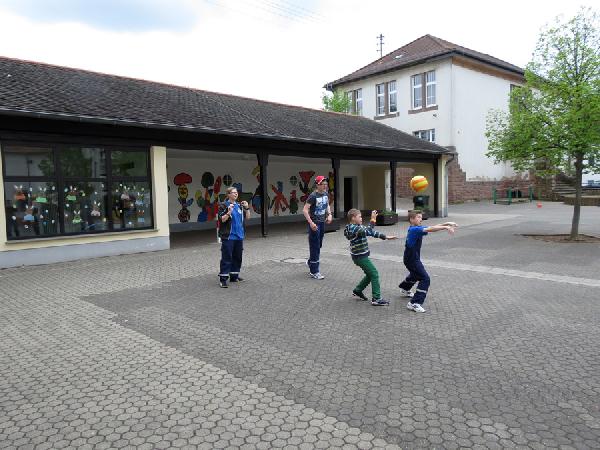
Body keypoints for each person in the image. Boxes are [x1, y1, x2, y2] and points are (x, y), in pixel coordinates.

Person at [399, 210, 457, 313]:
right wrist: (446, 227)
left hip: (410, 258)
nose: (420, 219)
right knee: (425, 278)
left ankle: (405, 288)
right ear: (411, 219)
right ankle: (414, 303)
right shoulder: (414, 230)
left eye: (421, 217)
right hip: (412, 260)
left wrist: (447, 223)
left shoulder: (416, 228)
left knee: (415, 274)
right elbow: (431, 229)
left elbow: (432, 227)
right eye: (418, 217)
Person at [344, 209, 397, 306]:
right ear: (353, 218)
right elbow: (368, 231)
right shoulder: (353, 228)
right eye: (360, 217)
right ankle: (376, 298)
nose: (361, 218)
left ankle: (358, 290)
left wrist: (384, 236)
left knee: (370, 274)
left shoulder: (358, 226)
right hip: (360, 257)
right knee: (374, 274)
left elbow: (371, 232)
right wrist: (373, 219)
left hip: (360, 256)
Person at [217, 187, 251, 288]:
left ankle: (234, 276)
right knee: (227, 258)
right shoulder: (223, 205)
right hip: (229, 237)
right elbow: (222, 220)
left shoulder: (239, 206)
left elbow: (248, 217)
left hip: (239, 236)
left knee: (237, 257)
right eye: (233, 192)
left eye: (236, 192)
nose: (236, 194)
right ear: (228, 194)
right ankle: (223, 279)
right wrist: (229, 212)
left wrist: (247, 208)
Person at [302, 175, 332, 279]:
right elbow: (305, 210)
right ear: (317, 185)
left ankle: (311, 262)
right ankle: (314, 271)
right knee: (315, 247)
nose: (325, 186)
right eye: (322, 184)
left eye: (326, 184)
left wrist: (329, 214)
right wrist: (311, 223)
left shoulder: (325, 194)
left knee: (318, 245)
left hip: (322, 223)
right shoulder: (313, 196)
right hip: (315, 224)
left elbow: (327, 204)